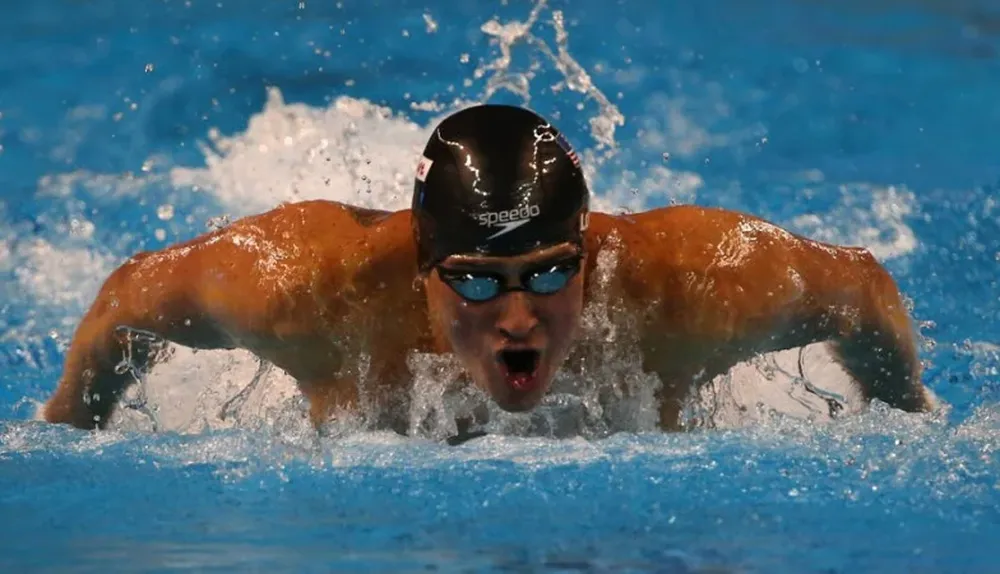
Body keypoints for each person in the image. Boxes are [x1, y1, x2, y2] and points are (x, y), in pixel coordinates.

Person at [41, 104, 934, 435]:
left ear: (587, 254)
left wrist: (907, 420)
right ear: (423, 264)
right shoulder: (305, 290)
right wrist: (70, 427)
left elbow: (861, 290)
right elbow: (126, 301)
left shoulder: (693, 289)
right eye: (475, 279)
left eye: (550, 275)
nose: (517, 318)